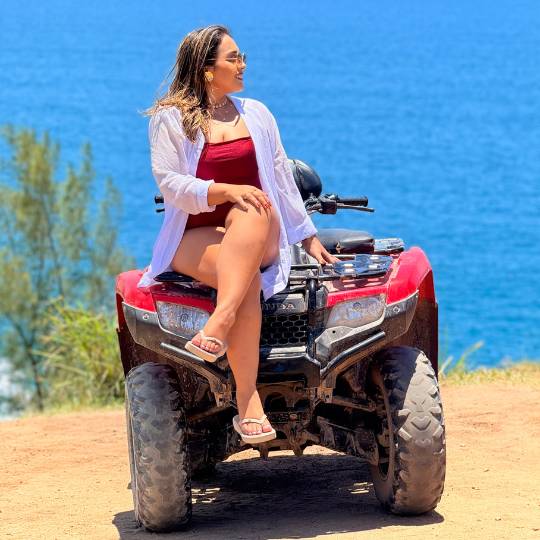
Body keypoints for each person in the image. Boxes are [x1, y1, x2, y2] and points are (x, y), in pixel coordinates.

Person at [138, 24, 338, 442]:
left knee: (253, 207)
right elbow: (169, 183)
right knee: (242, 279)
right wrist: (224, 190)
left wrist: (307, 236)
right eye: (234, 58)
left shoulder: (257, 113)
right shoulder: (169, 118)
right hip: (194, 234)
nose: (243, 64)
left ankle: (221, 322)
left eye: (241, 56)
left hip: (258, 229)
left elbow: (280, 177)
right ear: (207, 69)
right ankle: (247, 401)